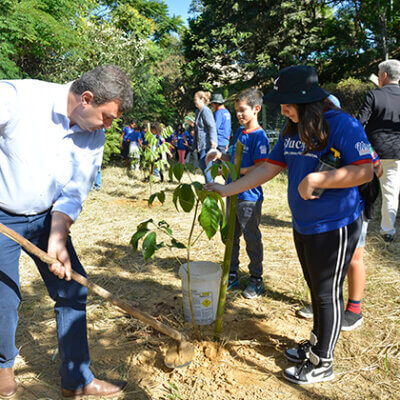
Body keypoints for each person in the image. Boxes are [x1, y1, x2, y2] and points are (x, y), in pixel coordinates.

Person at [205, 65, 373, 384]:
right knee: (316, 289)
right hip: (304, 225)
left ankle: (323, 362)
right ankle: (316, 344)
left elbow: (365, 170)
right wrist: (228, 189)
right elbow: (270, 167)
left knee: (326, 293)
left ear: (306, 100)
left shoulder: (342, 124)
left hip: (334, 226)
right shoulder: (291, 129)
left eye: (287, 103)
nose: (282, 109)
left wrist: (319, 178)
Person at [0, 65, 133, 398]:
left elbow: (75, 190)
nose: (108, 125)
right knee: (4, 296)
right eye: (107, 117)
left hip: (48, 218)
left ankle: (76, 378)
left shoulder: (94, 133)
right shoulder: (18, 98)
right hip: (3, 216)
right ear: (86, 99)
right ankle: (3, 366)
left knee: (72, 290)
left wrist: (57, 238)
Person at [206, 88, 269, 299]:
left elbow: (262, 167)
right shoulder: (240, 132)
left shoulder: (259, 137)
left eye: (243, 110)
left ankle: (255, 278)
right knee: (230, 236)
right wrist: (220, 156)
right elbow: (233, 157)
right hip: (231, 193)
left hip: (249, 197)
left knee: (251, 238)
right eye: (236, 111)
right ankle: (232, 273)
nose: (239, 114)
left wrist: (239, 170)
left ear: (256, 109)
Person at [357, 59, 400, 242]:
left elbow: (359, 123)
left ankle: (362, 222)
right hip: (396, 153)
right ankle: (387, 231)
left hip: (371, 152)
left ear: (383, 75)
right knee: (391, 192)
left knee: (364, 188)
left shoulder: (373, 95)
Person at [193, 91, 218, 183]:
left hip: (207, 144)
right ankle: (209, 185)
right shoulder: (197, 112)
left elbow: (211, 126)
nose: (194, 101)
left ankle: (210, 187)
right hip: (201, 143)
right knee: (203, 165)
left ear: (201, 100)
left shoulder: (206, 111)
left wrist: (213, 142)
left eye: (195, 99)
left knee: (205, 165)